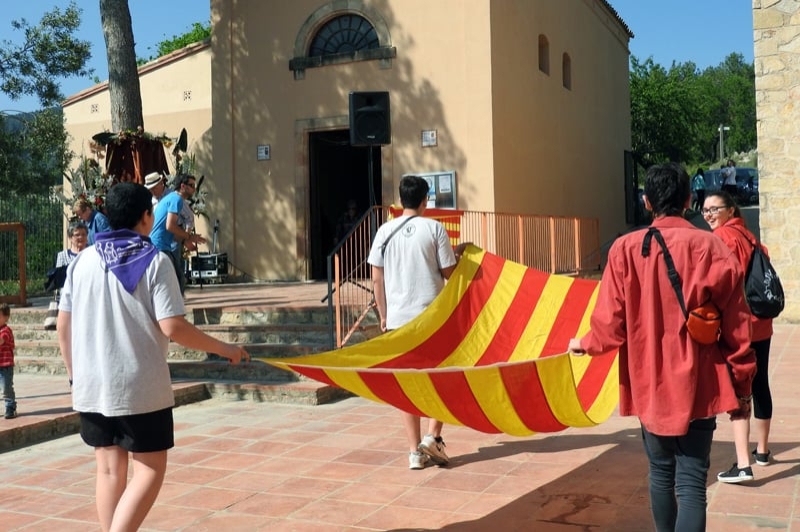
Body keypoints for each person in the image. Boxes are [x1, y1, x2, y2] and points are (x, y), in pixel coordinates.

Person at [567, 162, 755, 531]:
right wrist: (742, 383)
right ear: (688, 200)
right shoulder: (712, 247)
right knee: (692, 482)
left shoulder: (623, 249)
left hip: (649, 381)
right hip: (701, 381)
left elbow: (609, 327)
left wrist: (584, 344)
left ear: (647, 202)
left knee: (660, 473)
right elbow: (738, 327)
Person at [57, 182, 250, 532]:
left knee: (108, 470)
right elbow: (173, 326)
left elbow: (63, 325)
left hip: (91, 385)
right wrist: (227, 349)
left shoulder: (82, 261)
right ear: (147, 217)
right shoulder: (155, 261)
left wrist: (75, 376)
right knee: (149, 470)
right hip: (139, 387)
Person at [367, 175, 463, 470]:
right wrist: (460, 256)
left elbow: (376, 278)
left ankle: (414, 452)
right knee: (444, 376)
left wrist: (384, 314)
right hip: (432, 319)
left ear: (401, 199)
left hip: (399, 321)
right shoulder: (434, 228)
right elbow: (449, 273)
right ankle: (433, 437)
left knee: (407, 385)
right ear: (425, 200)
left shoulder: (384, 231)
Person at [703, 190, 774, 483]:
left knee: (738, 389)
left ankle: (743, 465)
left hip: (739, 324)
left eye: (714, 209)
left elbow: (719, 282)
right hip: (762, 323)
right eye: (704, 210)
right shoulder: (750, 237)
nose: (708, 215)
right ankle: (763, 451)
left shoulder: (722, 238)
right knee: (760, 383)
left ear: (730, 210)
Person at [149, 174, 207, 293]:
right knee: (175, 279)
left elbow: (169, 230)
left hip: (158, 246)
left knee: (176, 278)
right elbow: (170, 226)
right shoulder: (176, 199)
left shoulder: (171, 198)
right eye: (191, 185)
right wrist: (189, 236)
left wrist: (186, 240)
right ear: (182, 186)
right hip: (159, 247)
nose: (194, 189)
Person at [44, 221, 89, 331]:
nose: (81, 237)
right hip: (69, 299)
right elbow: (60, 279)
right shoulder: (62, 256)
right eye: (77, 235)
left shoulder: (92, 253)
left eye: (83, 234)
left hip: (88, 297)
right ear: (70, 237)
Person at [0, 303, 16, 419]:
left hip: (5, 366)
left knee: (6, 387)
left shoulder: (6, 330)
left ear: (6, 317)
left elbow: (1, 341)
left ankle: (10, 407)